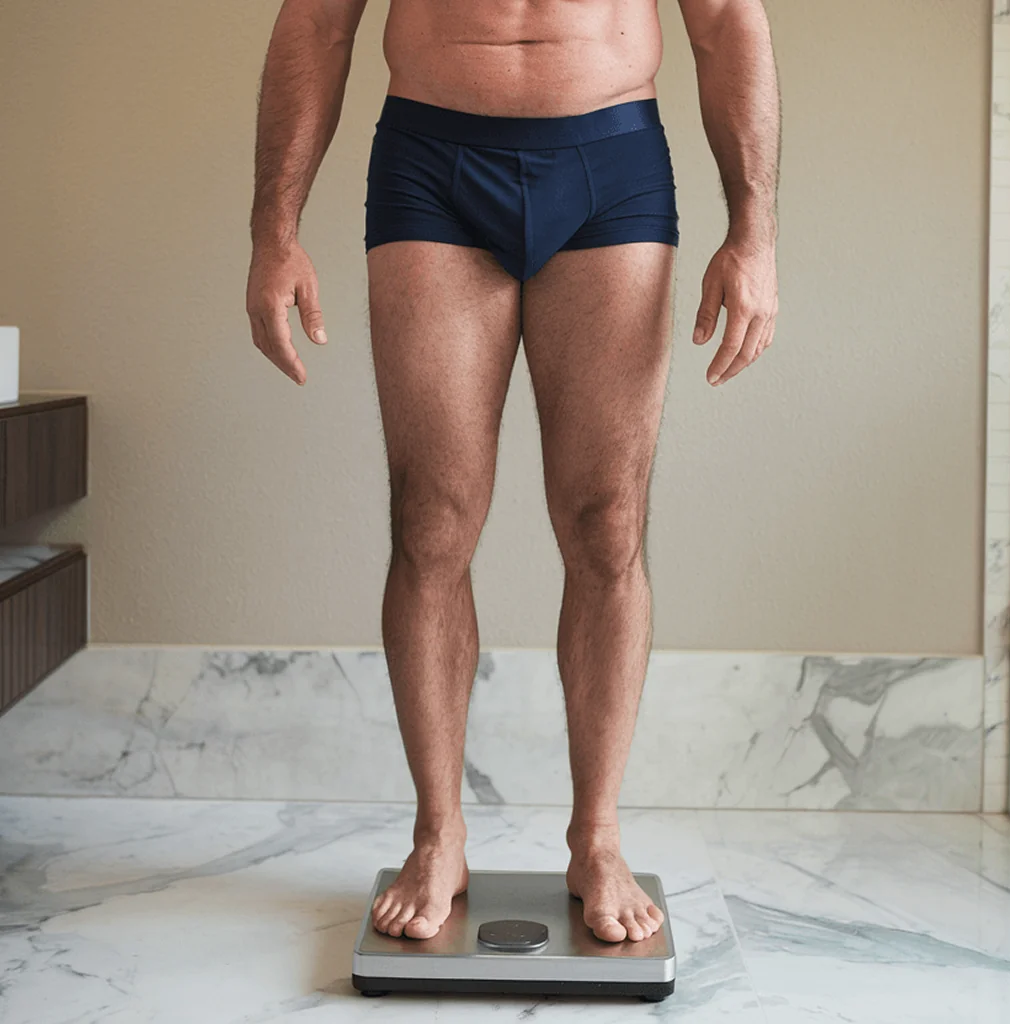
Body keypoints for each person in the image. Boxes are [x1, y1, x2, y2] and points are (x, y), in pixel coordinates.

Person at [246, 0, 780, 944]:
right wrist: (273, 232)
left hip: (611, 160)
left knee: (607, 523)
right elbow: (317, 24)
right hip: (432, 162)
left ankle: (598, 837)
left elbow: (728, 19)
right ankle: (437, 833)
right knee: (431, 521)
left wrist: (756, 230)